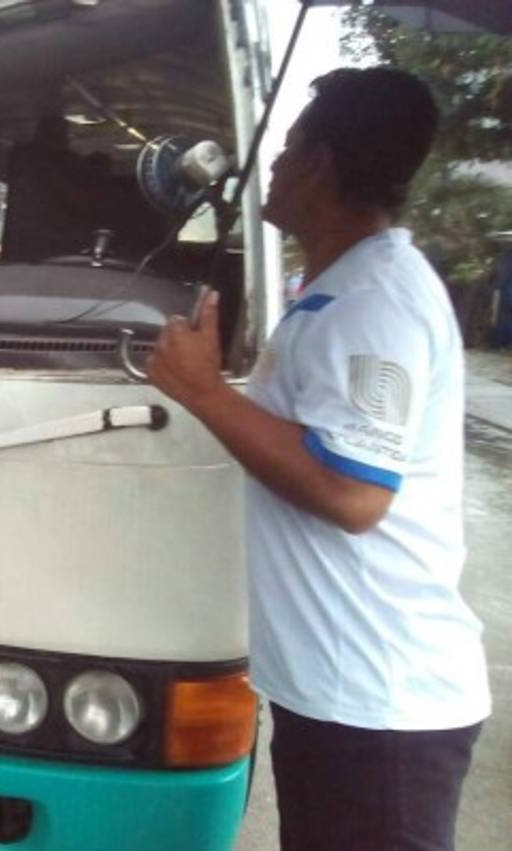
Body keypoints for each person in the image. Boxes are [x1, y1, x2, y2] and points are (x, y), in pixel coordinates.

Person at [149, 68, 489, 851]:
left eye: (289, 145)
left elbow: (352, 490)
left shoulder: (379, 301)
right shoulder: (335, 288)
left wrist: (205, 392)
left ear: (321, 164)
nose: (270, 165)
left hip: (381, 707)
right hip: (339, 695)